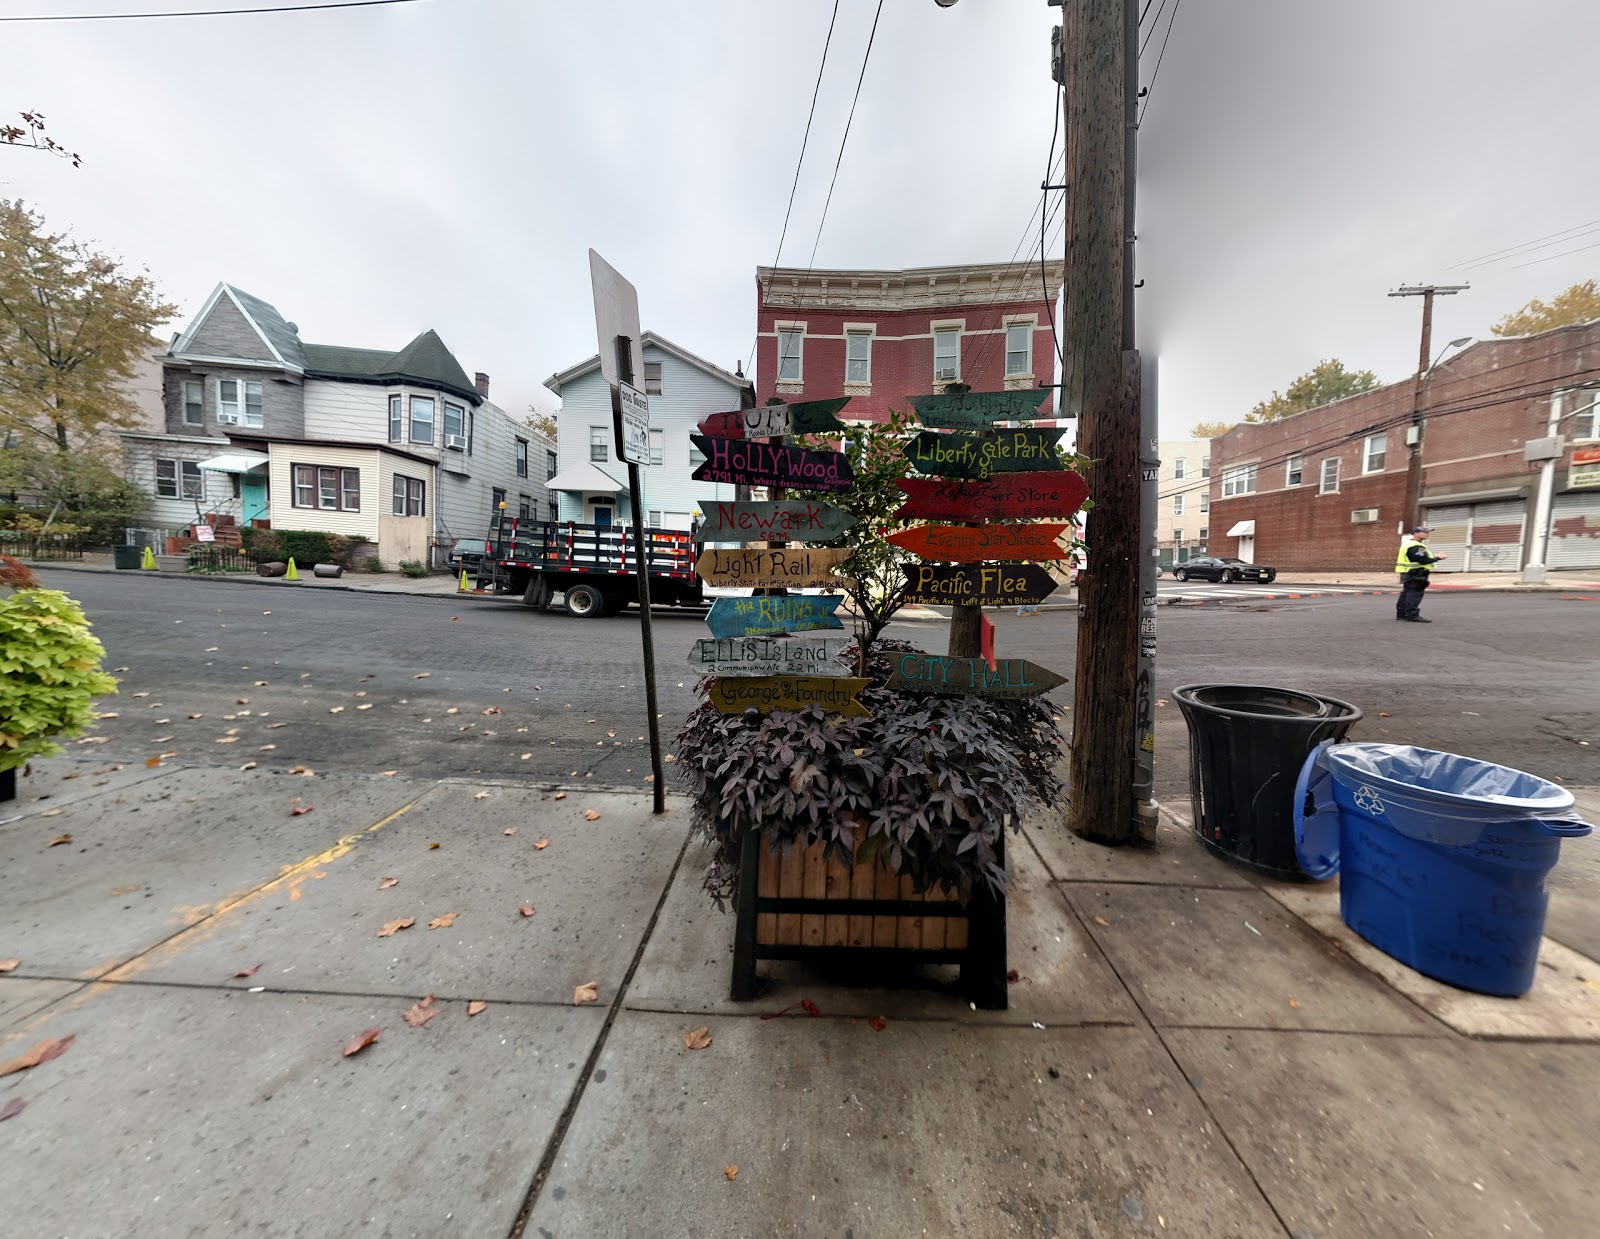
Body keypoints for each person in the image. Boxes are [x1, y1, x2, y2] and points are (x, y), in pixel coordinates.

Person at [1395, 525, 1446, 622]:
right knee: (1414, 594)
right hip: (1417, 573)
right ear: (1415, 533)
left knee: (1406, 593)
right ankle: (1412, 615)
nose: (1428, 534)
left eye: (1428, 532)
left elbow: (1415, 557)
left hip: (1409, 572)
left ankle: (1401, 614)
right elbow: (1422, 560)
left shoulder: (1408, 544)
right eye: (1425, 532)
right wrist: (1438, 558)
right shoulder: (1417, 546)